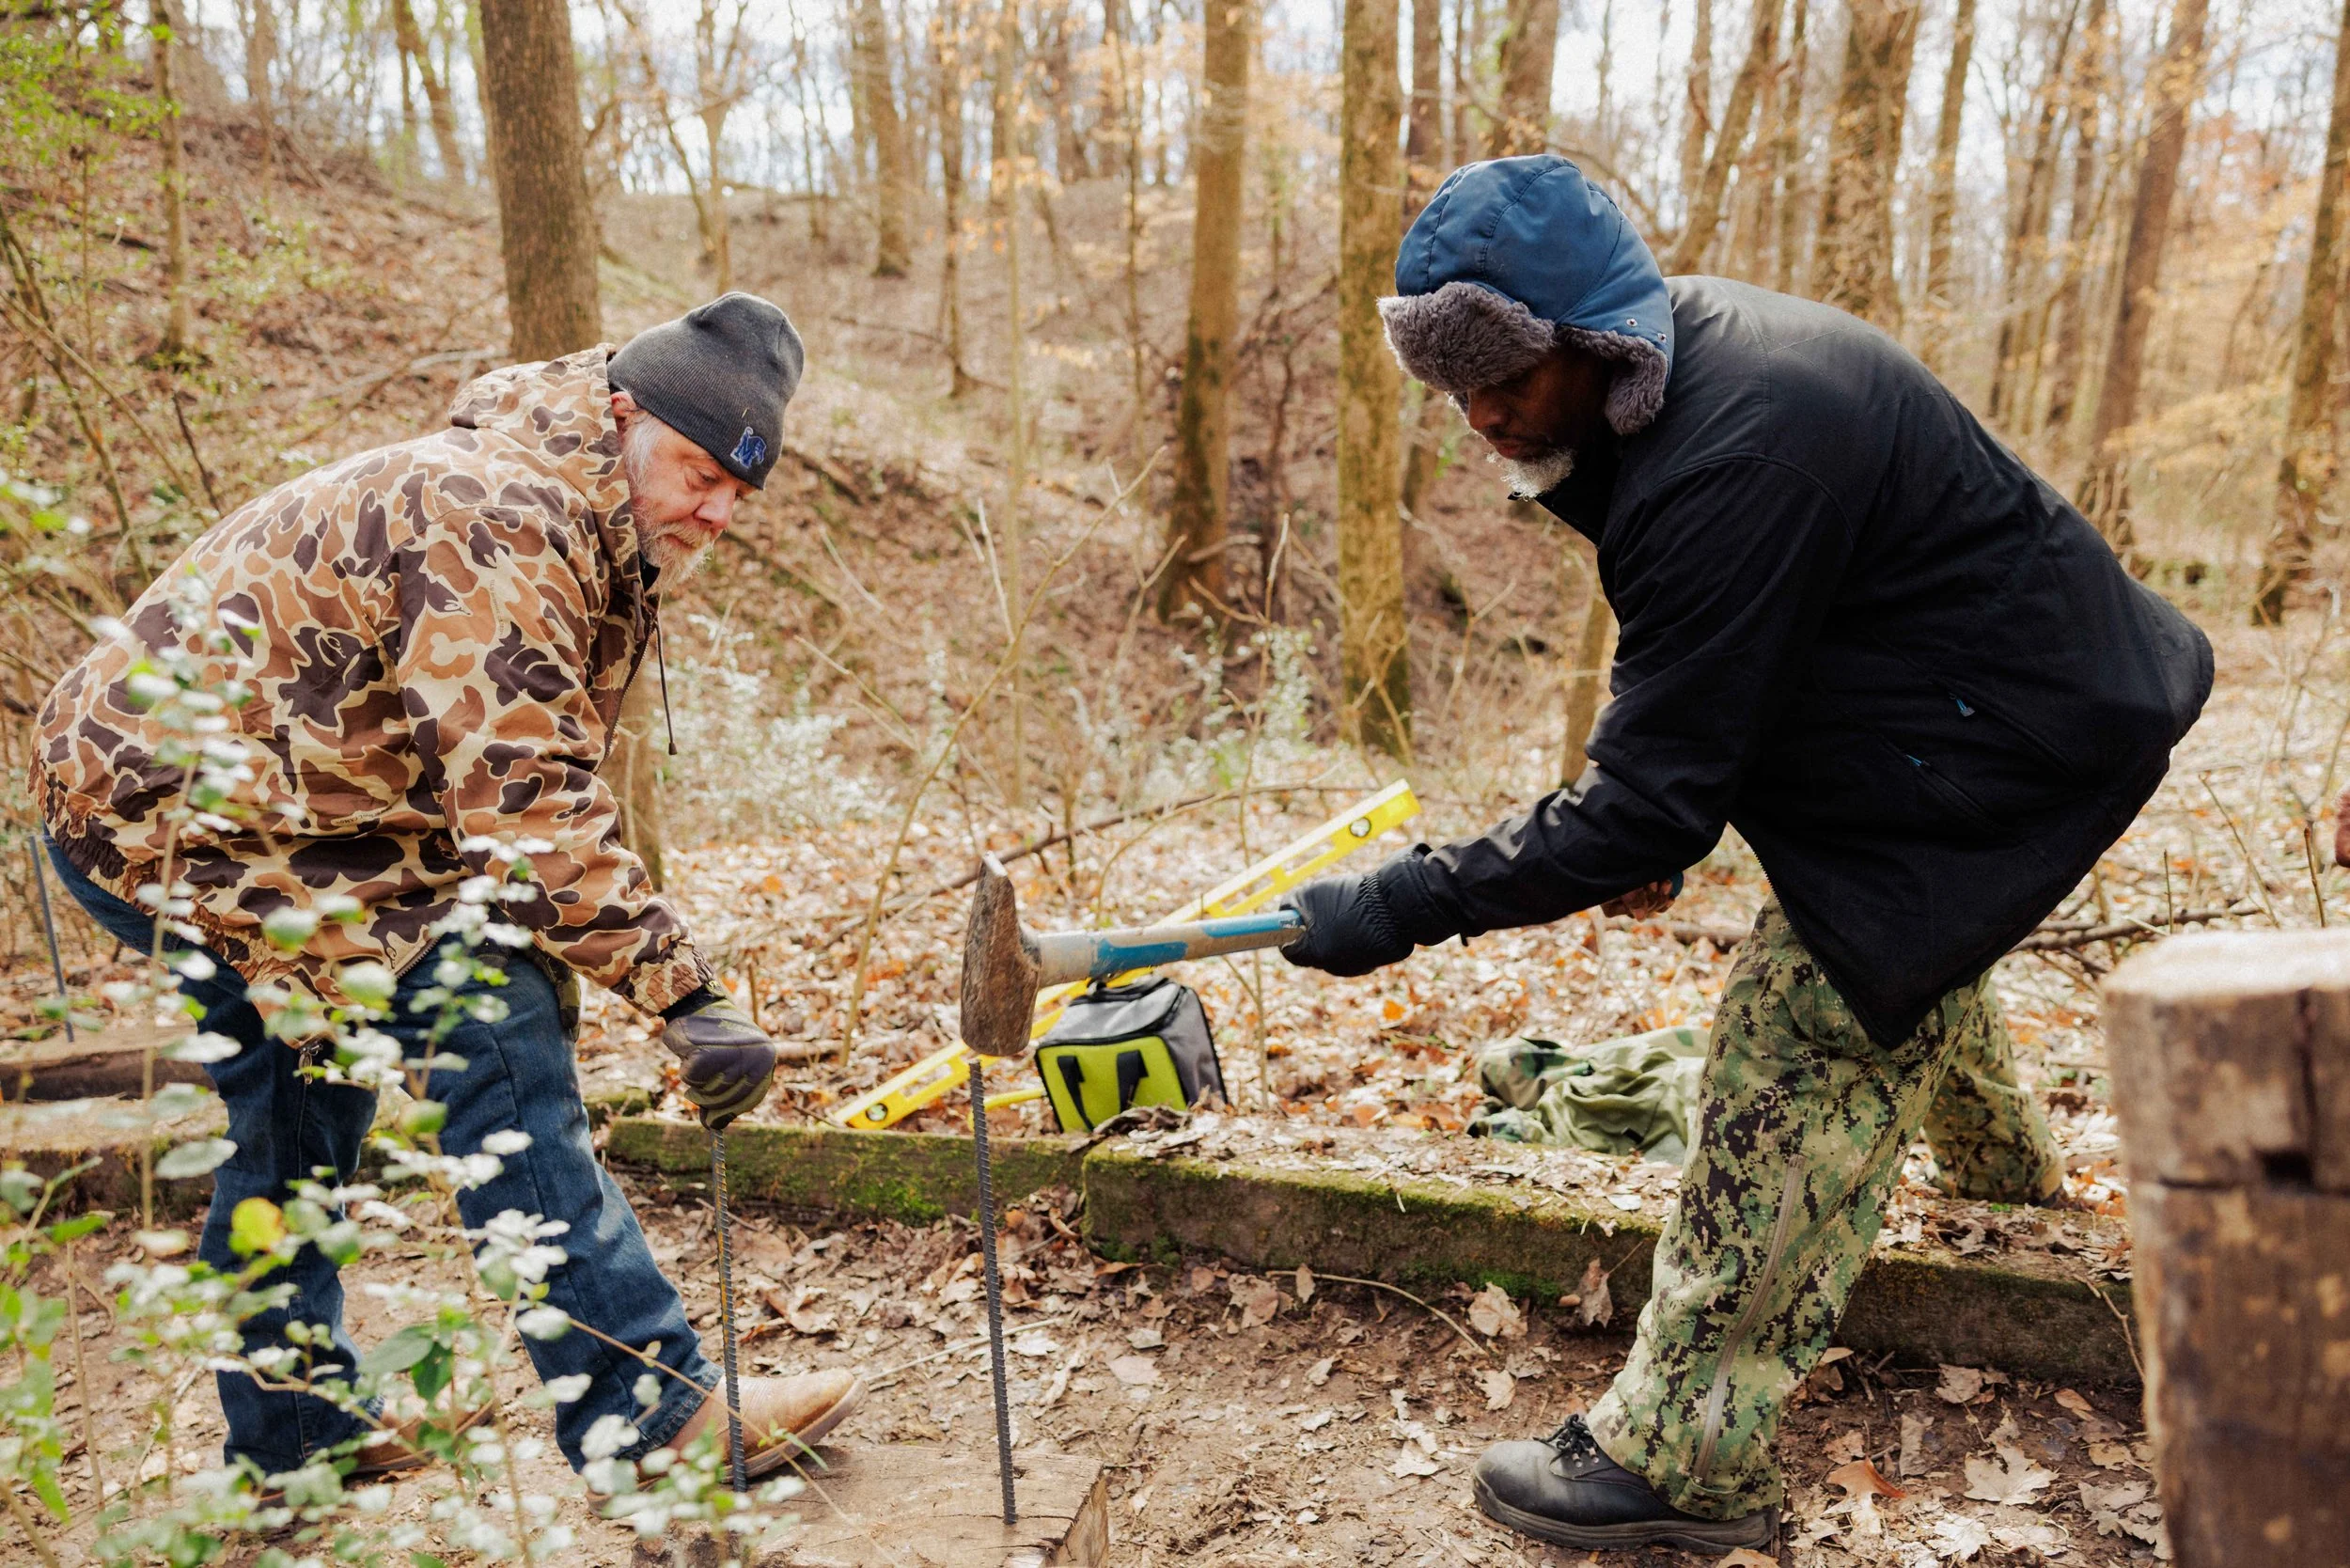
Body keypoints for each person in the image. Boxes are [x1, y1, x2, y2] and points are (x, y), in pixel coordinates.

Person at [1278, 157, 2213, 1555]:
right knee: (1897, 944)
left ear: (1592, 338)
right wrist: (1653, 808)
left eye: (1507, 377)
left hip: (2015, 736)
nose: (1479, 415)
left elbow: (1652, 794)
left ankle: (1685, 1456)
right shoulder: (1674, 387)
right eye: (1454, 386)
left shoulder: (1733, 450)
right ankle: (2012, 1197)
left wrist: (1412, 899)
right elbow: (1714, 705)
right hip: (1975, 701)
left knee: (1813, 1014)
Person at [33, 293, 857, 1485]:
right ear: (624, 413)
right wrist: (686, 997)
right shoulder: (501, 513)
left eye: (740, 490)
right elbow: (522, 810)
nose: (718, 510)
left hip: (263, 808)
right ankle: (652, 1421)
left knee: (300, 1096)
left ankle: (293, 1432)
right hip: (171, 809)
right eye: (697, 471)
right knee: (488, 1010)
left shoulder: (579, 500)